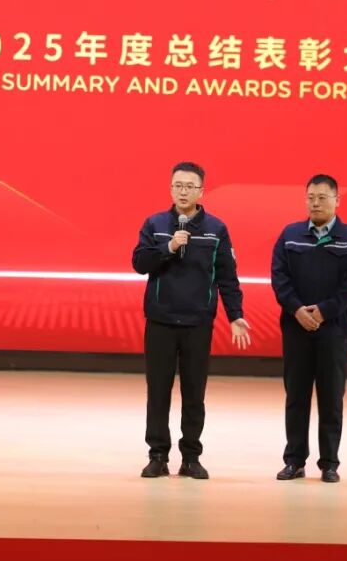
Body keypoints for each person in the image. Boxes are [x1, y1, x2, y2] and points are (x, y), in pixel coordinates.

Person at [132, 161, 251, 480]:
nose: (183, 192)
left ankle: (191, 457)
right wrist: (169, 246)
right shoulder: (155, 224)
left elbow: (227, 277)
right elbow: (139, 263)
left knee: (194, 393)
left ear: (201, 191)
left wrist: (236, 315)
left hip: (198, 323)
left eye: (189, 186)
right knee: (158, 392)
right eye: (178, 185)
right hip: (161, 321)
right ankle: (158, 455)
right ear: (170, 188)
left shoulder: (216, 229)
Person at [271, 174, 347, 483]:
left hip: (333, 330)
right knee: (296, 397)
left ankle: (329, 464)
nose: (315, 203)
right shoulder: (290, 234)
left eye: (322, 197)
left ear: (337, 200)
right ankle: (294, 461)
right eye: (310, 197)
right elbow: (279, 277)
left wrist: (324, 311)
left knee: (331, 398)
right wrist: (297, 309)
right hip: (296, 328)